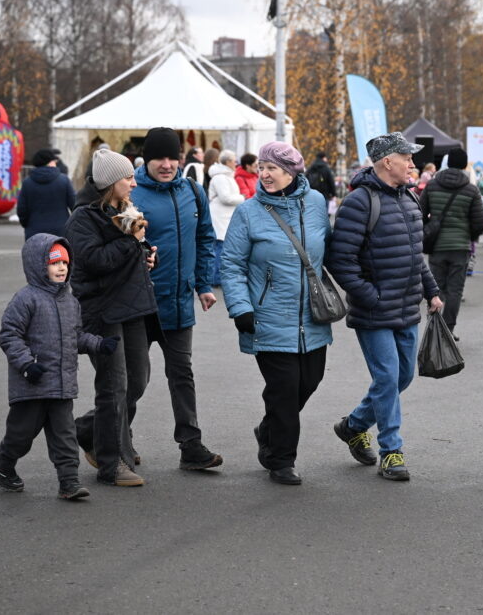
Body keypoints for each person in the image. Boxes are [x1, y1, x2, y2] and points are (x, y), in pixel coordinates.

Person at [327, 132, 443, 482]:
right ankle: (391, 451)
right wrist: (370, 296)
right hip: (375, 312)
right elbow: (340, 259)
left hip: (406, 309)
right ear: (386, 162)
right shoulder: (359, 203)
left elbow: (415, 254)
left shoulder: (408, 198)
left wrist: (432, 291)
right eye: (407, 157)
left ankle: (354, 425)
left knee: (402, 376)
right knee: (388, 377)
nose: (413, 164)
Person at [221, 142, 332, 485]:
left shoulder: (315, 204)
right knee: (284, 388)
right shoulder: (248, 212)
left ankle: (267, 429)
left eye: (273, 168)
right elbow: (231, 264)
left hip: (312, 315)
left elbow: (329, 252)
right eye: (262, 168)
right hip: (267, 316)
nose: (265, 174)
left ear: (293, 172)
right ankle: (281, 459)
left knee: (309, 381)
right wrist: (240, 307)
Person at [0, 235, 118, 500]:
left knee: (65, 436)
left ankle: (69, 482)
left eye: (65, 263)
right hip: (32, 385)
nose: (62, 268)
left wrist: (99, 343)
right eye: (54, 263)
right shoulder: (26, 299)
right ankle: (2, 464)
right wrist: (26, 364)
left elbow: (76, 337)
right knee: (20, 436)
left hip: (62, 386)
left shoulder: (70, 302)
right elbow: (9, 335)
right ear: (39, 265)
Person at [130, 127, 223, 471]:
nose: (167, 164)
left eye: (173, 158)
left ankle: (190, 444)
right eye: (160, 158)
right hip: (139, 305)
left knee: (182, 374)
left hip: (180, 301)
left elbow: (204, 238)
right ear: (147, 160)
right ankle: (107, 435)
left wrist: (204, 285)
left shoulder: (193, 192)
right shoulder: (132, 194)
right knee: (134, 380)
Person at [66, 148, 157, 487]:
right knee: (113, 386)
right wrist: (130, 241)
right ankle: (111, 463)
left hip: (132, 306)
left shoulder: (124, 209)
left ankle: (90, 430)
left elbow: (134, 250)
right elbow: (92, 261)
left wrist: (148, 256)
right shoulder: (83, 219)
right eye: (128, 178)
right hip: (101, 311)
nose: (134, 182)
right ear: (109, 183)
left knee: (138, 379)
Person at [418, 147, 483, 340]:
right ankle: (448, 330)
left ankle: (433, 328)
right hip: (460, 248)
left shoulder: (432, 185)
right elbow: (480, 222)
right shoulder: (471, 190)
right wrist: (468, 235)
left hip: (437, 246)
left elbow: (419, 213)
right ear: (465, 164)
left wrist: (428, 230)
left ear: (447, 163)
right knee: (455, 290)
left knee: (435, 288)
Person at [16, 148, 76, 240]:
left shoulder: (27, 183)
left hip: (34, 231)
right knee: (59, 254)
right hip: (60, 231)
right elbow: (74, 205)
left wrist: (27, 224)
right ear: (50, 162)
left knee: (36, 254)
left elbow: (22, 209)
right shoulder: (64, 180)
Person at [207, 149, 245, 287]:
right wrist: (243, 198)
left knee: (221, 248)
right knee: (219, 248)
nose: (236, 163)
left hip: (225, 217)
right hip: (220, 218)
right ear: (228, 162)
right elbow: (226, 198)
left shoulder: (226, 176)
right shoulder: (220, 178)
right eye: (234, 160)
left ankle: (217, 277)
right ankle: (215, 278)